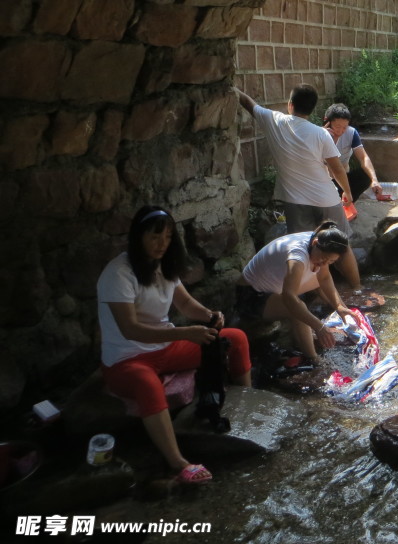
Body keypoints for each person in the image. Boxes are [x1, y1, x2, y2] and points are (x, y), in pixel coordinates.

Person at [98, 206, 251, 485]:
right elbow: (130, 329)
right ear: (138, 236)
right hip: (126, 358)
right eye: (155, 237)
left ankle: (249, 403)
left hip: (165, 349)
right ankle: (178, 462)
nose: (162, 244)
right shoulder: (118, 273)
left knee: (235, 339)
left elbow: (184, 303)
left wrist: (210, 316)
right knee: (147, 384)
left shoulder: (163, 266)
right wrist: (185, 334)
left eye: (168, 237)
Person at [236, 221, 360, 361]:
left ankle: (314, 327)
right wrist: (318, 327)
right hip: (251, 296)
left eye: (330, 262)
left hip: (275, 287)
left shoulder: (319, 242)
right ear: (314, 243)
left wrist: (339, 306)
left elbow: (324, 277)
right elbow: (290, 298)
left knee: (317, 278)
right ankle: (313, 359)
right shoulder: (297, 257)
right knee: (298, 308)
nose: (324, 264)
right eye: (323, 259)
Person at [236, 83, 351, 235]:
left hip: (296, 202)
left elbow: (247, 102)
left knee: (303, 248)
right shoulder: (321, 134)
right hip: (327, 200)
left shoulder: (274, 121)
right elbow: (337, 170)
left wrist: (232, 88)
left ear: (290, 105)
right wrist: (347, 192)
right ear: (312, 108)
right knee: (339, 245)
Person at [322, 102, 383, 203]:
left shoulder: (351, 133)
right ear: (327, 121)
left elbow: (363, 157)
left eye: (344, 127)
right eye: (337, 126)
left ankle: (347, 201)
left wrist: (374, 180)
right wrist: (323, 138)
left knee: (366, 175)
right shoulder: (317, 134)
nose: (341, 131)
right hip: (323, 183)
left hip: (343, 181)